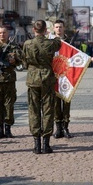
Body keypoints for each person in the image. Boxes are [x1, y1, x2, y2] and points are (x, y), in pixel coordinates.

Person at [22, 20, 61, 154]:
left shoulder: (27, 44)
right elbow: (59, 43)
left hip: (33, 78)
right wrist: (51, 36)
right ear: (45, 30)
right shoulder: (51, 43)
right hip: (47, 78)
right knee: (48, 110)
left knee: (34, 110)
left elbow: (24, 61)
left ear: (34, 29)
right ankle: (46, 144)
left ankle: (36, 144)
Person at [0, 26, 22, 138]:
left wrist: (14, 61)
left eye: (4, 33)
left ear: (8, 34)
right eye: (0, 33)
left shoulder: (13, 46)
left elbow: (20, 60)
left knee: (9, 105)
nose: (2, 35)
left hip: (9, 79)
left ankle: (8, 128)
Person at [51, 20, 73, 139]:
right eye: (57, 27)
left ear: (64, 28)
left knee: (66, 103)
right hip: (54, 76)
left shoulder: (69, 42)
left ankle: (66, 127)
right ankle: (58, 128)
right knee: (55, 104)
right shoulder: (50, 41)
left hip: (67, 76)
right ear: (54, 29)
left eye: (61, 27)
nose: (59, 29)